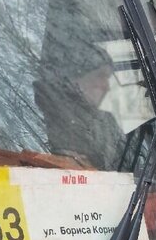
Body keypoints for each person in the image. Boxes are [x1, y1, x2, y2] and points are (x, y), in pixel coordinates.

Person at [36, 41, 126, 171]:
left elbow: (124, 167)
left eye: (108, 78)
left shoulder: (107, 121)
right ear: (76, 77)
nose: (107, 86)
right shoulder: (55, 115)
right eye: (101, 76)